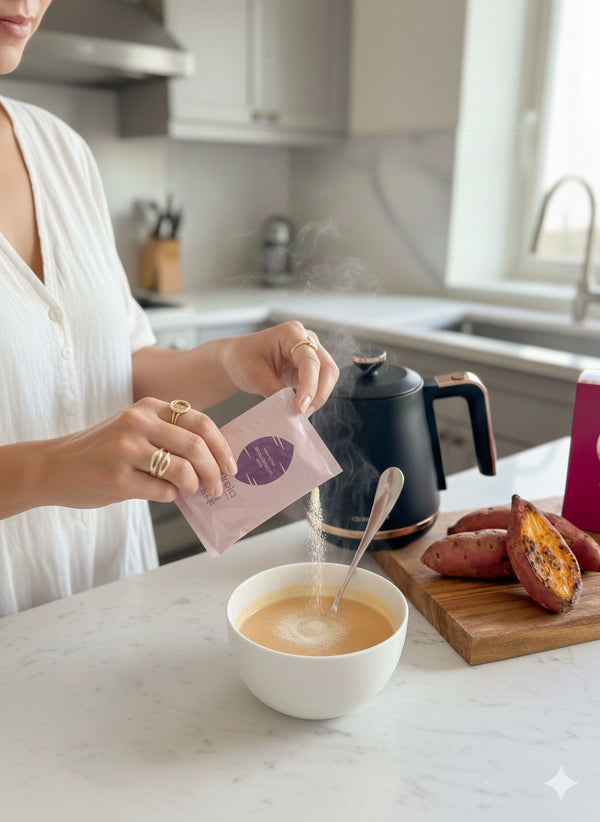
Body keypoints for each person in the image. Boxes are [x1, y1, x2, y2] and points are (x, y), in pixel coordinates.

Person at [0, 1, 339, 617]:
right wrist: (48, 468)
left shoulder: (63, 152)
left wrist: (232, 360)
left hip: (117, 597)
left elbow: (117, 363)